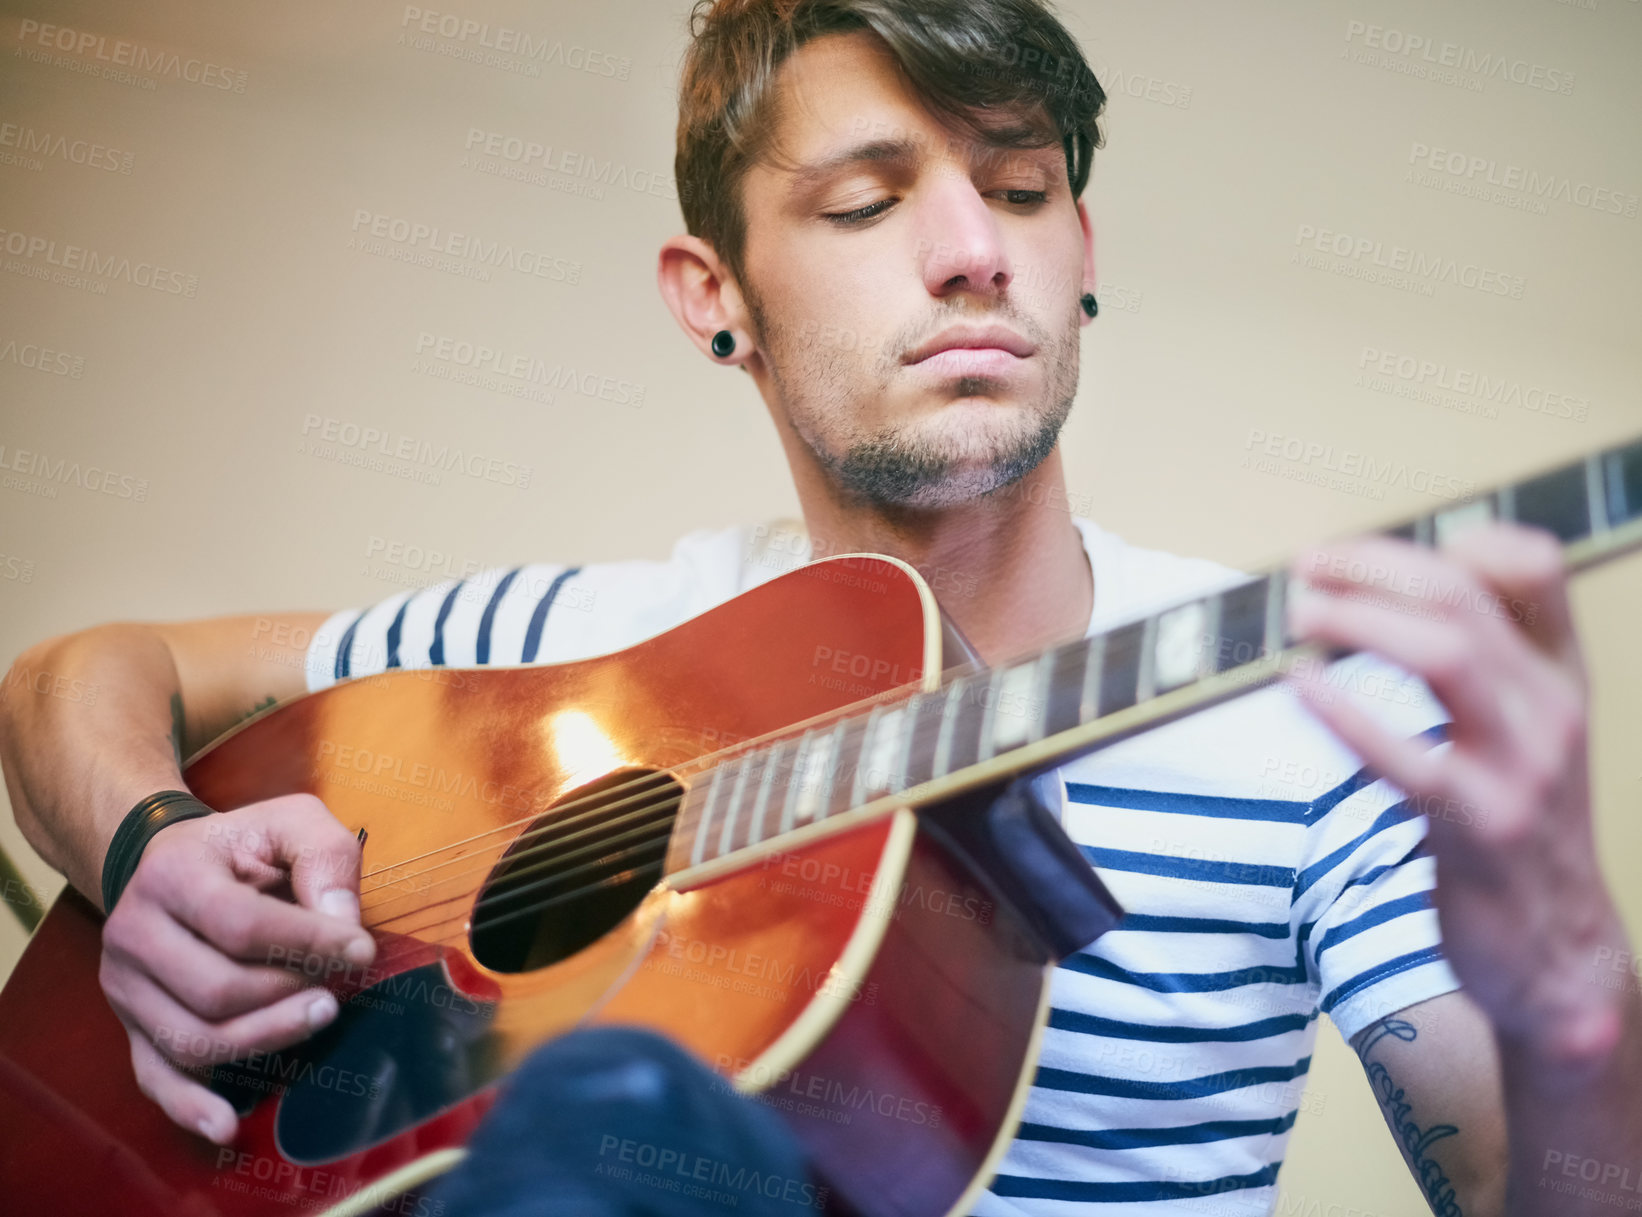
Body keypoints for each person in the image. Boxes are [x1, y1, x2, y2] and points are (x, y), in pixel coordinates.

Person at [1, 1, 1635, 1214]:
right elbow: (85, 670)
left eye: (1017, 189)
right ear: (715, 297)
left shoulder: (1317, 714)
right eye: (862, 203)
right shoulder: (571, 646)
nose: (965, 250)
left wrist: (1566, 990)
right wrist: (145, 853)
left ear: (1080, 253)